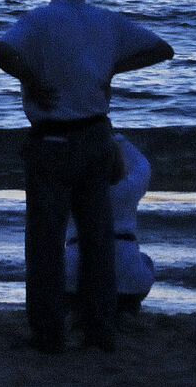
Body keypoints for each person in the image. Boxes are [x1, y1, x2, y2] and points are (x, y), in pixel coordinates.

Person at [0, 0, 174, 354]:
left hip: (52, 138)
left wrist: (33, 80)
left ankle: (48, 333)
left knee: (45, 240)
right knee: (97, 238)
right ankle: (99, 329)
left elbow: (1, 51)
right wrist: (109, 69)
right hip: (96, 137)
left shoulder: (37, 20)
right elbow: (162, 49)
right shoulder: (106, 20)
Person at [64, 131, 155, 318]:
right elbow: (143, 165)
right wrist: (118, 141)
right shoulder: (128, 188)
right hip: (126, 280)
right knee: (146, 262)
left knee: (65, 266)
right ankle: (126, 308)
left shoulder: (71, 190)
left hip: (75, 280)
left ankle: (79, 309)